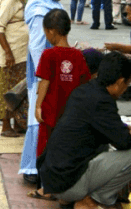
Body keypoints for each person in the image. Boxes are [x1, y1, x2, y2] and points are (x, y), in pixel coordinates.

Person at [36, 52, 131, 209]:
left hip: (52, 178)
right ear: (119, 82)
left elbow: (99, 125)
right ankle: (91, 200)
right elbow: (125, 144)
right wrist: (127, 133)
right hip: (66, 184)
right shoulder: (102, 101)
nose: (126, 88)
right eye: (129, 83)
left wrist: (126, 128)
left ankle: (70, 196)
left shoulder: (85, 90)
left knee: (103, 145)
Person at [19, 0, 72, 183]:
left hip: (50, 72)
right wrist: (45, 78)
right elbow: (37, 48)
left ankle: (44, 165)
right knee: (38, 117)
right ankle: (33, 168)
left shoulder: (49, 2)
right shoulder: (40, 9)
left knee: (46, 117)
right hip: (44, 75)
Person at [34, 9, 91, 159]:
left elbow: (44, 81)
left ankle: (45, 177)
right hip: (71, 113)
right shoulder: (78, 55)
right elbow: (85, 83)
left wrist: (38, 105)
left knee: (46, 148)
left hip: (51, 110)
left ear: (51, 31)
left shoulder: (48, 54)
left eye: (45, 31)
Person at [0, 0, 33, 137]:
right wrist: (8, 52)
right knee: (8, 89)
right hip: (12, 54)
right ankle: (5, 126)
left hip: (21, 53)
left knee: (19, 89)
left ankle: (18, 122)